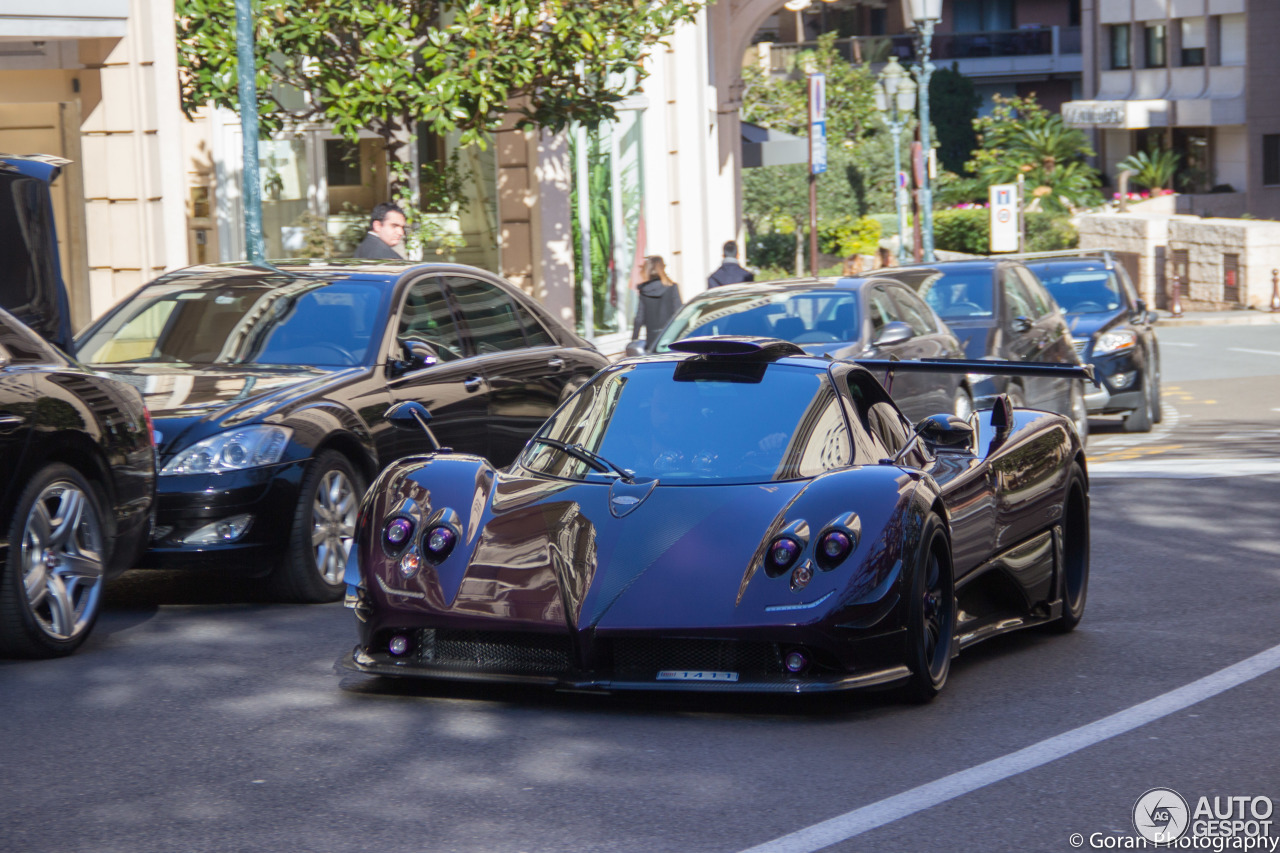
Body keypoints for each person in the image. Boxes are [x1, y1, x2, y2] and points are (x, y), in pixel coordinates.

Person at [632, 255, 682, 352]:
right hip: (671, 339)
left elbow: (639, 318)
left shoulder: (644, 291)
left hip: (652, 341)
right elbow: (679, 314)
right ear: (662, 268)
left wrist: (634, 341)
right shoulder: (672, 287)